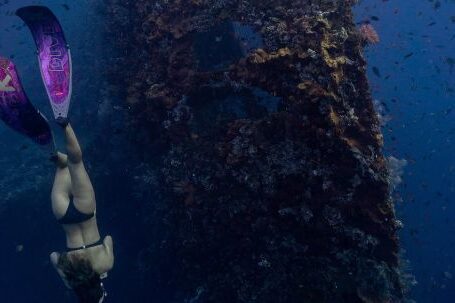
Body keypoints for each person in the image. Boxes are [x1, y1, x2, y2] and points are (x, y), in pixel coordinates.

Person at [49, 120, 114, 303]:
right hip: (64, 218)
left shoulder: (105, 264)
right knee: (62, 167)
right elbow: (53, 256)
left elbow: (108, 239)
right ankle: (56, 156)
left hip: (86, 212)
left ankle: (65, 124)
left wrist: (101, 271)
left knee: (76, 163)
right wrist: (69, 277)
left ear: (100, 289)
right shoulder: (70, 281)